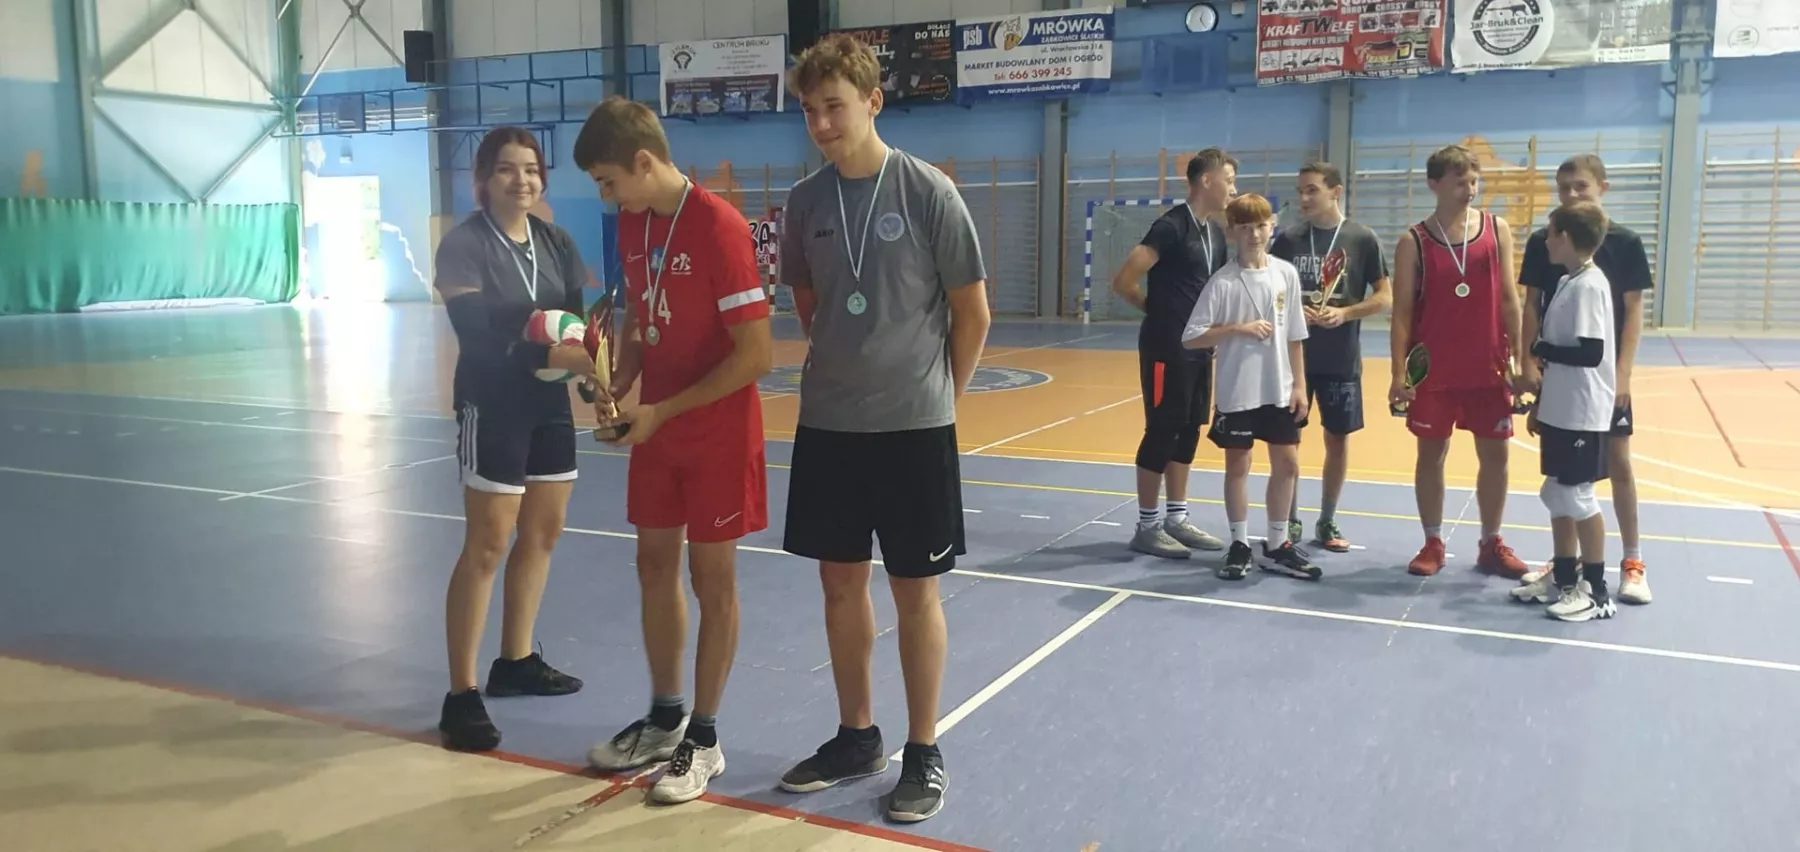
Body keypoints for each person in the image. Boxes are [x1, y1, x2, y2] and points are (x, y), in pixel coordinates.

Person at [774, 33, 991, 824]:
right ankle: (856, 735)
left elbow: (972, 313)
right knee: (839, 585)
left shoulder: (929, 191)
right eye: (809, 111)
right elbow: (810, 307)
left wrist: (938, 398)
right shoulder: (804, 203)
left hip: (914, 430)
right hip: (830, 425)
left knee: (914, 591)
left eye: (834, 106)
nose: (821, 124)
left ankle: (924, 747)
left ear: (872, 101)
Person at [571, 97, 773, 804]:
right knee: (653, 565)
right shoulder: (635, 221)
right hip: (656, 428)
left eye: (608, 181)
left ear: (643, 162)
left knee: (711, 579)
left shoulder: (721, 228)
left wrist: (663, 410)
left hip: (716, 432)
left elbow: (757, 355)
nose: (607, 196)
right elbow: (637, 312)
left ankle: (705, 738)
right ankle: (665, 718)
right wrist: (621, 382)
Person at [433, 126, 591, 752]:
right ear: (483, 178)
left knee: (543, 533)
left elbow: (577, 328)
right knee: (488, 544)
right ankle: (461, 693)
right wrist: (552, 355)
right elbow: (477, 338)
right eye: (505, 168)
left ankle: (516, 661)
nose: (520, 179)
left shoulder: (557, 242)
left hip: (548, 405)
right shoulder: (463, 246)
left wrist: (593, 382)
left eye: (530, 168)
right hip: (493, 403)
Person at [1388, 145, 1530, 579]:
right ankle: (1432, 541)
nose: (1470, 189)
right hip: (1433, 370)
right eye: (1459, 182)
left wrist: (1519, 359)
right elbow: (1402, 313)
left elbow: (1510, 299)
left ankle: (1491, 541)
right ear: (1434, 184)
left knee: (1496, 455)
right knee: (1431, 454)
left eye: (1474, 181)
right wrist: (1398, 373)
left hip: (1489, 366)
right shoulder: (1413, 241)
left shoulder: (1496, 229)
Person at [1517, 154, 1653, 605]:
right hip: (1564, 382)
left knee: (1617, 463)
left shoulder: (1623, 243)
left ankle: (1631, 561)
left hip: (1600, 379)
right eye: (1564, 188)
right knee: (1562, 475)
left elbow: (1632, 311)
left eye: (1581, 186)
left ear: (1602, 188)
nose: (1572, 194)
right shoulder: (1547, 240)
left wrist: (1622, 374)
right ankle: (1565, 567)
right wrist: (1529, 362)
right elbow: (1532, 304)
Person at [1180, 193, 1320, 581]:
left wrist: (1299, 386)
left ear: (1272, 227)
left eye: (1261, 226)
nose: (1254, 234)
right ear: (1232, 231)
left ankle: (1277, 544)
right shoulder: (1222, 282)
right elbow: (1191, 337)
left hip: (1280, 388)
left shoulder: (1285, 274)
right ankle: (1240, 544)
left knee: (1288, 464)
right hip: (1238, 390)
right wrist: (1236, 329)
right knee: (1238, 465)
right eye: (1245, 227)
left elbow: (1295, 335)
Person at [1109, 149, 1236, 559]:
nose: (1233, 189)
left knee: (1189, 429)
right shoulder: (1170, 227)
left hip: (1200, 349)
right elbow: (1124, 280)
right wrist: (1158, 312)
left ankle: (1176, 518)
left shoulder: (1215, 233)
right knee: (1163, 430)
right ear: (1206, 181)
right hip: (1166, 348)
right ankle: (1147, 526)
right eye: (1229, 180)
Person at [1270, 162, 1391, 552]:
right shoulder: (1287, 240)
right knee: (1288, 442)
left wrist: (1345, 313)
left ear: (1335, 192)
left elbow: (1384, 298)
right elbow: (1268, 293)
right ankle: (1289, 518)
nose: (1304, 198)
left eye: (1312, 190)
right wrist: (1290, 312)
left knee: (1337, 440)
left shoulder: (1362, 238)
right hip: (1293, 362)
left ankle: (1327, 518)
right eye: (1300, 191)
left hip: (1341, 359)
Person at [1511, 201, 1618, 622]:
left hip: (1582, 410)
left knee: (1577, 496)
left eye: (1551, 233)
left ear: (1567, 238)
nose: (1546, 240)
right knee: (1556, 494)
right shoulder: (1567, 281)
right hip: (1561, 407)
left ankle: (1594, 589)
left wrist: (1541, 348)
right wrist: (1542, 403)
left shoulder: (1590, 285)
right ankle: (1563, 576)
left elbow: (1590, 353)